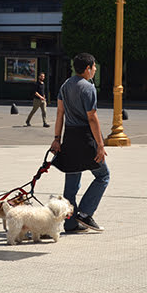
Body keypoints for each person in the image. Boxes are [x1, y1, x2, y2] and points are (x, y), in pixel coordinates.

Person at [49, 53, 109, 234]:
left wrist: (57, 139)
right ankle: (85, 213)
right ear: (88, 68)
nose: (95, 70)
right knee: (103, 176)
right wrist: (100, 144)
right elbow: (92, 118)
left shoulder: (65, 85)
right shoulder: (88, 88)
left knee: (72, 183)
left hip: (69, 138)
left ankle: (70, 223)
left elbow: (60, 113)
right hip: (85, 137)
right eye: (94, 67)